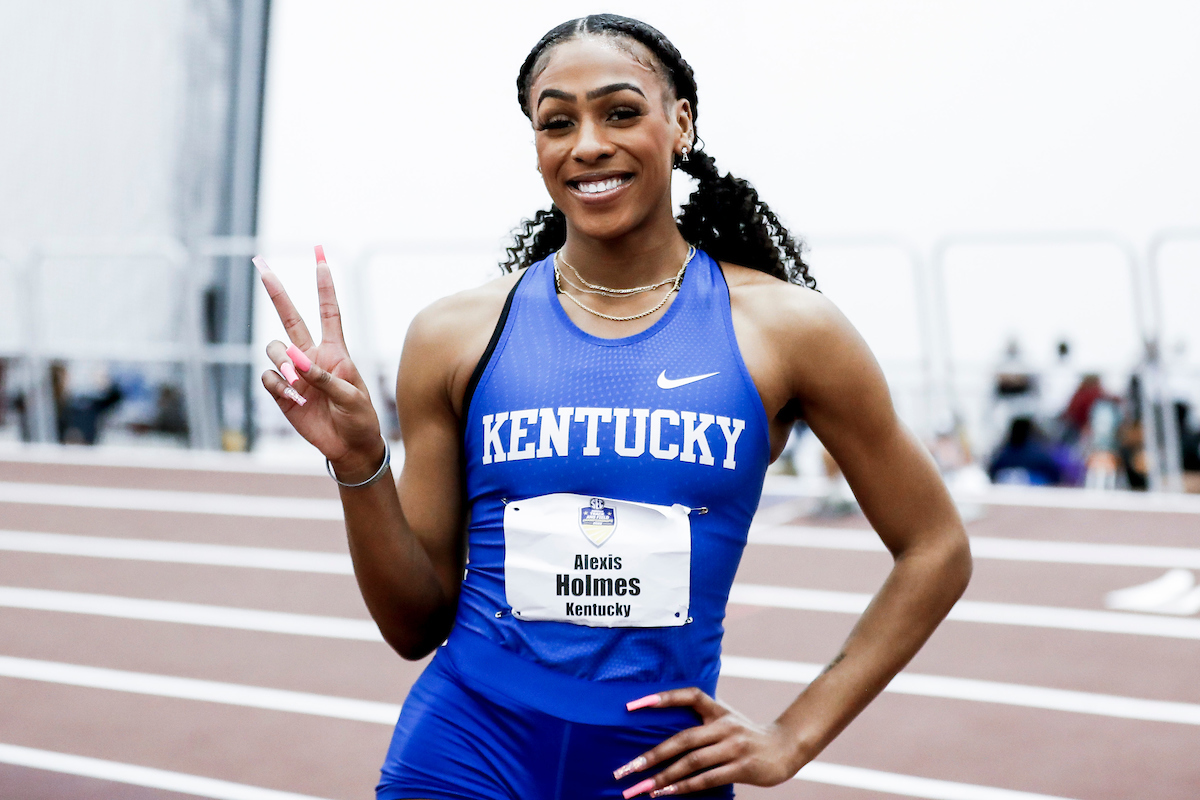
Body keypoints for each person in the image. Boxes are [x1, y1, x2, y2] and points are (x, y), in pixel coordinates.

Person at [255, 15, 971, 799]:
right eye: (556, 122)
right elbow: (412, 627)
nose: (587, 143)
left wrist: (792, 737)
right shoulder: (456, 335)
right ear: (536, 147)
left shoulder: (786, 330)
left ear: (682, 124)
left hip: (661, 770)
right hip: (464, 752)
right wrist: (361, 465)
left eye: (621, 112)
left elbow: (936, 547)